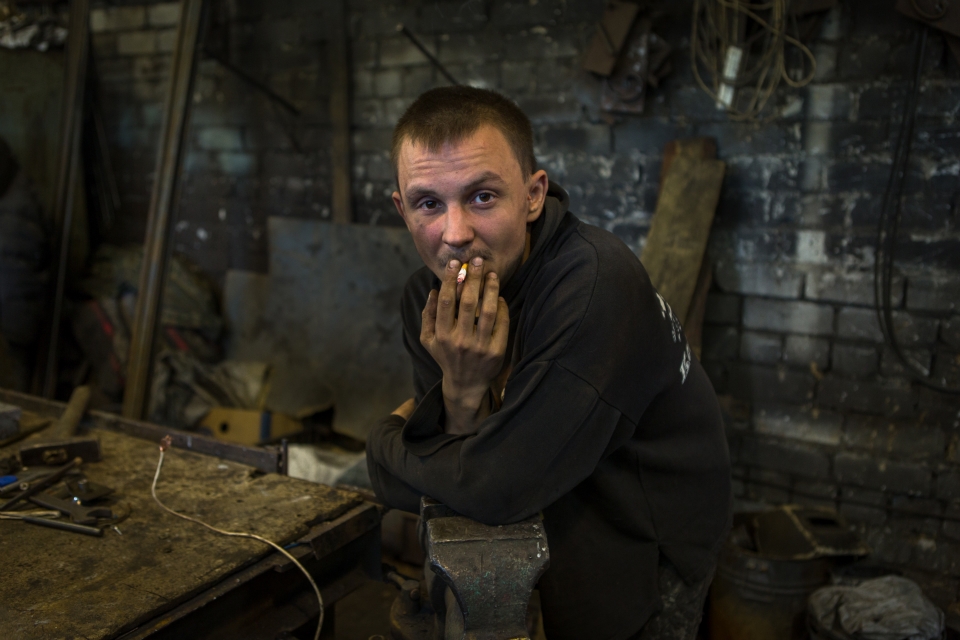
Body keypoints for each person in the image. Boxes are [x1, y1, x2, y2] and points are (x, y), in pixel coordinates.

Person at [365, 86, 731, 640]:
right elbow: (455, 473)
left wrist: (383, 442)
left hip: (640, 529)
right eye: (429, 204)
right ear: (402, 208)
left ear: (533, 195)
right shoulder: (428, 297)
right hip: (548, 496)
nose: (455, 234)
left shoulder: (593, 285)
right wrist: (462, 389)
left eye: (483, 197)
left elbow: (492, 487)